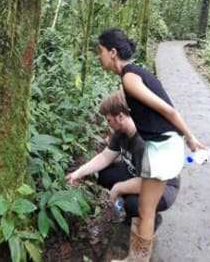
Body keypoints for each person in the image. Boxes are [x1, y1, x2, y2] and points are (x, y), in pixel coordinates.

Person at [97, 28, 205, 262]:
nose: (99, 57)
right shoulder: (133, 75)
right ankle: (136, 258)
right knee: (145, 211)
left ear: (113, 52)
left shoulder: (129, 77)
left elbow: (167, 109)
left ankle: (136, 260)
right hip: (161, 146)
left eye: (101, 51)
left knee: (146, 212)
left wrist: (191, 138)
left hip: (163, 147)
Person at [66, 91, 180, 232]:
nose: (108, 124)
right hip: (137, 174)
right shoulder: (121, 132)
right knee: (104, 174)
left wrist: (119, 188)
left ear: (120, 117)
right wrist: (77, 173)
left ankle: (152, 217)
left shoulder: (143, 142)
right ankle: (131, 206)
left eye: (109, 120)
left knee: (132, 204)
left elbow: (146, 182)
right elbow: (105, 157)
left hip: (161, 187)